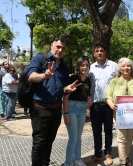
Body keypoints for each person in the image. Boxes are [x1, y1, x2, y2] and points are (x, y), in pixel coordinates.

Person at [27, 36, 81, 166]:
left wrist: (67, 89)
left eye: (63, 48)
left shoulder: (64, 67)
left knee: (49, 142)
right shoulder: (40, 59)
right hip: (40, 108)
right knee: (39, 143)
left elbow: (63, 89)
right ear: (52, 45)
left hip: (56, 110)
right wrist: (44, 75)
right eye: (58, 46)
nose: (60, 50)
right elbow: (31, 76)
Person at [85, 42, 118, 165]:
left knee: (108, 130)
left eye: (101, 50)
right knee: (96, 131)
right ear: (94, 53)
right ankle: (98, 155)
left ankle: (108, 153)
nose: (99, 53)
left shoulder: (114, 66)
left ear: (105, 52)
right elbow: (85, 83)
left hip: (109, 105)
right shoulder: (91, 68)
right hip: (95, 105)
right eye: (97, 51)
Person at [105, 57, 133, 166]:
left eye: (128, 65)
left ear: (131, 67)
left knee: (130, 138)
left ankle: (126, 158)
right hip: (119, 115)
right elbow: (107, 96)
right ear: (119, 68)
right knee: (121, 138)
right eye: (123, 66)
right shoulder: (114, 82)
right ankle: (122, 162)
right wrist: (111, 103)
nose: (126, 68)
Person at [63, 56, 92, 166]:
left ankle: (77, 159)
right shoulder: (72, 78)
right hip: (71, 108)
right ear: (78, 66)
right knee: (73, 138)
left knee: (79, 137)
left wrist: (87, 104)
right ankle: (68, 162)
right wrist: (66, 113)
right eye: (82, 65)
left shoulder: (88, 80)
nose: (84, 67)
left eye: (86, 65)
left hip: (82, 110)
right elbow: (65, 97)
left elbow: (87, 95)